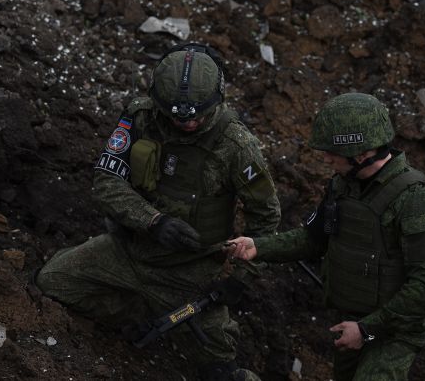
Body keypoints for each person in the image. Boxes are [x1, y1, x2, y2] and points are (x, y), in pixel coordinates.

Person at [36, 43, 281, 381]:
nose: (189, 122)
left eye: (198, 114)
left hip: (191, 272)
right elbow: (106, 179)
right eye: (178, 116)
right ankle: (142, 307)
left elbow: (266, 216)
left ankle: (163, 311)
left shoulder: (237, 146)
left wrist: (240, 279)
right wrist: (152, 221)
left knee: (221, 368)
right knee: (53, 281)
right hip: (127, 250)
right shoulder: (140, 117)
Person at [227, 93, 425, 380]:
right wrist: (257, 246)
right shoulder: (344, 185)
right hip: (351, 318)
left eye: (332, 151)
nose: (325, 157)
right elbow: (313, 239)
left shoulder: (416, 201)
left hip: (395, 329)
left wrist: (367, 329)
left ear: (361, 154)